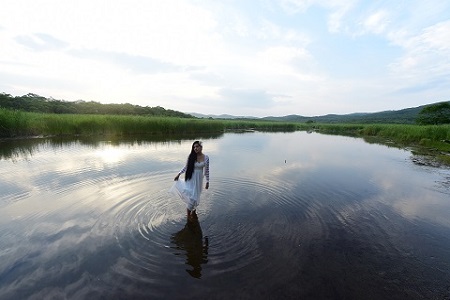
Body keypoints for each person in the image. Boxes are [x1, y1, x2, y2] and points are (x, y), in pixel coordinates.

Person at [172, 141, 210, 220]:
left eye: (197, 146)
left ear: (201, 147)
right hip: (191, 179)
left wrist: (207, 181)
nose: (195, 148)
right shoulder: (191, 156)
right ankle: (189, 217)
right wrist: (179, 174)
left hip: (199, 180)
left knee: (196, 196)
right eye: (194, 147)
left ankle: (194, 211)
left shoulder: (206, 157)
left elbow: (207, 171)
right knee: (193, 198)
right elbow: (186, 167)